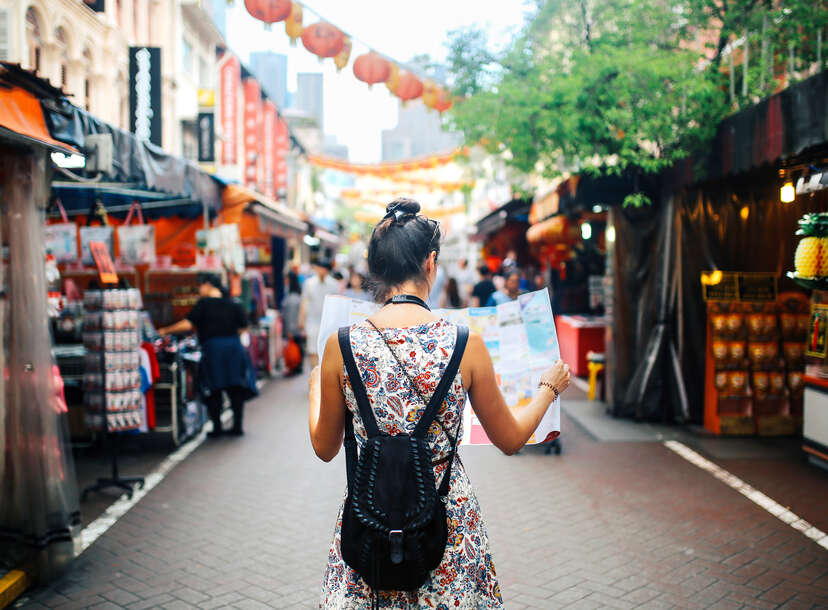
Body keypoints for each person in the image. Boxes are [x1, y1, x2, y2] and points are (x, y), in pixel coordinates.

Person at [309, 198, 571, 608]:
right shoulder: (466, 344)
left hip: (370, 520)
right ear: (430, 263)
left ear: (376, 270)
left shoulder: (340, 346)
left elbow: (324, 448)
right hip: (445, 526)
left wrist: (314, 390)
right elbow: (511, 438)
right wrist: (549, 388)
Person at [159, 273, 256, 437]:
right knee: (235, 388)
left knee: (214, 388)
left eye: (201, 285)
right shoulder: (233, 303)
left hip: (214, 350)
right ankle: (237, 426)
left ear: (209, 285)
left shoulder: (204, 304)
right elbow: (245, 327)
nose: (199, 289)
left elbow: (188, 324)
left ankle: (217, 427)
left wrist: (164, 331)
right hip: (233, 349)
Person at [299, 259, 340, 368]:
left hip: (329, 323)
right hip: (312, 321)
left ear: (327, 270)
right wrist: (301, 320)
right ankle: (315, 374)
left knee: (327, 350)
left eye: (323, 269)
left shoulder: (334, 284)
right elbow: (304, 301)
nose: (321, 271)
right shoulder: (309, 283)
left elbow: (337, 304)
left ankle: (324, 376)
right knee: (312, 350)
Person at [281, 270, 304, 374]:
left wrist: (290, 330)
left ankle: (295, 367)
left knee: (295, 349)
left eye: (286, 279)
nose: (284, 281)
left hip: (293, 329)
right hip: (296, 328)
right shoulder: (295, 295)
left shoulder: (292, 297)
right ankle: (296, 367)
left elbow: (291, 315)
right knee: (298, 348)